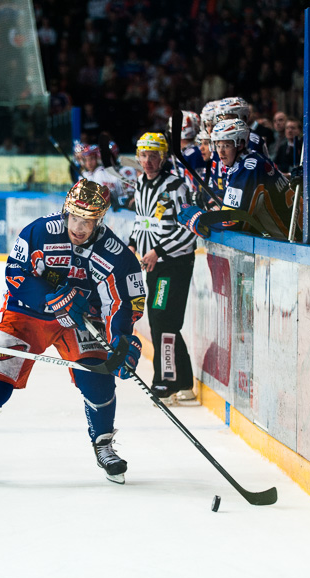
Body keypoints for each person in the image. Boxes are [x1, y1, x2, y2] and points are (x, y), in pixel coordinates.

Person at [0, 180, 145, 483]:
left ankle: (104, 445)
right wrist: (48, 297)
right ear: (66, 211)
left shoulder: (116, 254)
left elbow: (123, 302)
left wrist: (120, 340)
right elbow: (14, 273)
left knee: (98, 378)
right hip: (24, 315)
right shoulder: (39, 231)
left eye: (89, 220)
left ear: (101, 219)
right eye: (76, 217)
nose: (80, 227)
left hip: (78, 321)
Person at [128, 132, 197, 405]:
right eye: (143, 155)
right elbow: (141, 221)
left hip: (173, 265)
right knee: (161, 320)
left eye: (153, 155)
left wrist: (158, 251)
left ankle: (165, 381)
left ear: (163, 156)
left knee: (162, 319)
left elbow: (189, 229)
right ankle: (184, 384)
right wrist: (133, 245)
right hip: (153, 265)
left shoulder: (176, 186)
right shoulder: (140, 184)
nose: (147, 161)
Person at [178, 119, 296, 240]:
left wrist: (197, 219)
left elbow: (232, 222)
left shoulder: (248, 168)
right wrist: (222, 196)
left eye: (226, 145)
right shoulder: (250, 158)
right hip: (290, 235)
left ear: (240, 144)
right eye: (218, 145)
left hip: (294, 240)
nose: (221, 151)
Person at [74, 143, 127, 210]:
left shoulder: (101, 173)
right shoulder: (86, 175)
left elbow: (109, 197)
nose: (89, 163)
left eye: (92, 159)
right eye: (86, 160)